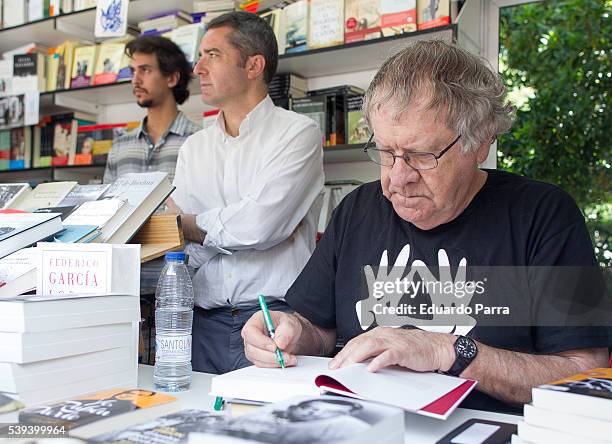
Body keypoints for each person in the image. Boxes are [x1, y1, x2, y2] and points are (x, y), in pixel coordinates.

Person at [241, 40, 612, 413]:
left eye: (421, 155)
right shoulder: (358, 209)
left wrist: (448, 350)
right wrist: (288, 332)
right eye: (386, 152)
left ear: (480, 143)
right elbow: (318, 328)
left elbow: (584, 374)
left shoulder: (545, 214)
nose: (398, 178)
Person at [167, 11, 324, 374]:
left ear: (254, 65)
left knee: (269, 429)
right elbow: (182, 243)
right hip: (202, 323)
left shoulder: (298, 134)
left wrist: (193, 226)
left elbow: (259, 226)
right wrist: (204, 228)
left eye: (213, 55)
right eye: (200, 55)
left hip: (274, 322)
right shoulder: (194, 147)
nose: (198, 68)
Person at [103, 36, 200, 184]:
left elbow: (206, 204)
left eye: (145, 70)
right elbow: (108, 206)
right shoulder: (119, 147)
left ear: (172, 78)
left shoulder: (198, 141)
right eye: (133, 71)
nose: (135, 80)